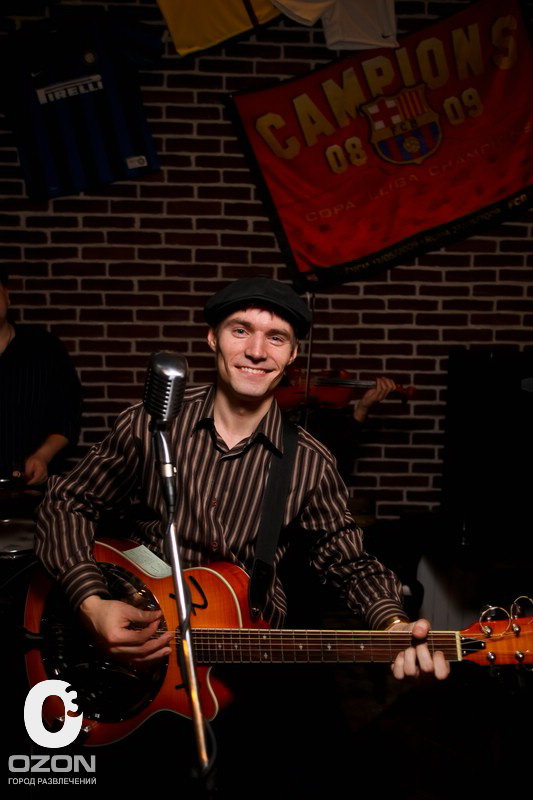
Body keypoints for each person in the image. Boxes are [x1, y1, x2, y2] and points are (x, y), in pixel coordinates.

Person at [35, 276, 448, 791]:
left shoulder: (310, 463)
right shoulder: (150, 425)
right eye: (240, 330)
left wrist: (392, 624)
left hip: (249, 668)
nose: (256, 351)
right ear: (212, 338)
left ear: (293, 354)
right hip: (135, 660)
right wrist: (91, 603)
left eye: (276, 337)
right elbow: (66, 501)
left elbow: (348, 562)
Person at [0, 269, 82, 488]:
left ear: (7, 295)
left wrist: (42, 456)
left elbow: (68, 416)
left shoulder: (44, 347)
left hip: (32, 490)